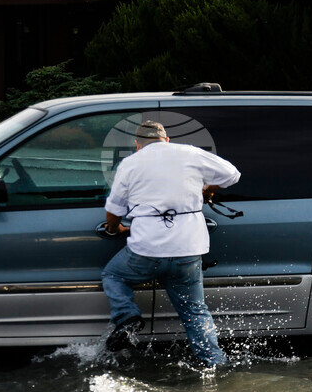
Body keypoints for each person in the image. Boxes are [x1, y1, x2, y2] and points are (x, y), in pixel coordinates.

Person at [101, 120, 241, 367]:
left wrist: (115, 228)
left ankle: (127, 317)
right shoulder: (189, 152)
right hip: (187, 250)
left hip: (146, 250)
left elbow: (114, 209)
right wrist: (207, 188)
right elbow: (232, 174)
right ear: (165, 139)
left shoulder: (130, 164)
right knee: (195, 312)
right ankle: (214, 363)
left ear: (137, 144)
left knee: (113, 275)